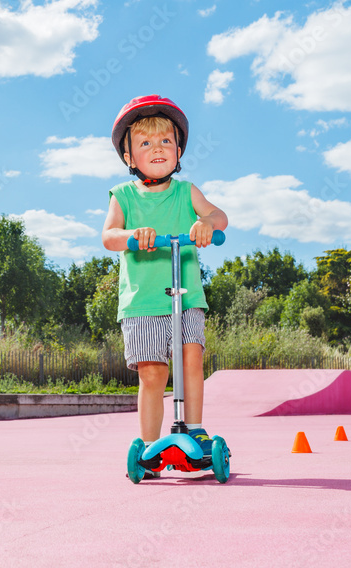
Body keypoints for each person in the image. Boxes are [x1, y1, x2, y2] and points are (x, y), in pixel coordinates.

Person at [101, 94, 228, 464]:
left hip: (186, 297)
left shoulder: (186, 192)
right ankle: (150, 448)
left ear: (178, 150)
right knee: (153, 375)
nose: (157, 148)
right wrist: (131, 236)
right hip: (143, 301)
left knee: (192, 360)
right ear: (129, 157)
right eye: (145, 143)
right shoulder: (123, 195)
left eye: (165, 141)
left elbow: (219, 216)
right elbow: (109, 237)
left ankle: (195, 432)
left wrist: (207, 224)